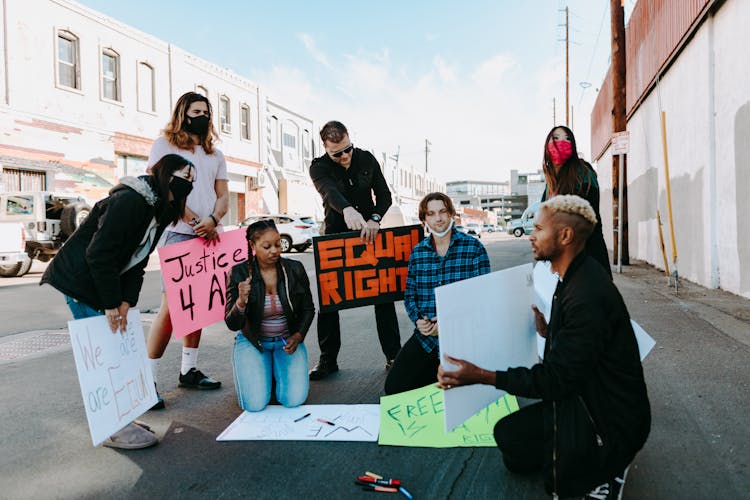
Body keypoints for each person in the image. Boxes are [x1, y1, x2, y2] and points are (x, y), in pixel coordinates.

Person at [437, 195, 650, 499]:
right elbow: (584, 349)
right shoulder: (573, 275)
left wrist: (481, 376)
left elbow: (555, 380)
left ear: (565, 236)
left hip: (611, 419)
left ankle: (610, 464)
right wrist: (551, 331)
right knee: (509, 439)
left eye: (538, 229)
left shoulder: (587, 293)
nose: (531, 235)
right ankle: (583, 456)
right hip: (587, 397)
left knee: (559, 486)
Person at [41, 154, 196, 449]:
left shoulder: (159, 210)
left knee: (115, 348)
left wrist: (127, 301)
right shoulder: (130, 201)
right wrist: (112, 303)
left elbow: (138, 260)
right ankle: (114, 427)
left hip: (101, 280)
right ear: (164, 174)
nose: (188, 184)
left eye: (192, 181)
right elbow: (100, 254)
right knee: (104, 353)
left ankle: (121, 417)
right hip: (79, 280)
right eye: (184, 176)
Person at [146, 91, 229, 405]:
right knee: (171, 309)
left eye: (206, 111)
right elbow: (164, 189)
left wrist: (213, 219)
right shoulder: (163, 146)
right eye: (196, 111)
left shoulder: (214, 154)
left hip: (210, 235)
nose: (202, 116)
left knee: (198, 307)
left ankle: (189, 370)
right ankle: (147, 380)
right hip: (179, 233)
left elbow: (222, 194)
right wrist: (197, 221)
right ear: (183, 113)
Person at [308, 120, 401, 380]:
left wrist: (374, 218)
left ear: (351, 141)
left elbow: (384, 195)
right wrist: (347, 209)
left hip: (370, 234)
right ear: (326, 149)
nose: (345, 156)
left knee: (383, 295)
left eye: (348, 149)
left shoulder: (367, 159)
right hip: (335, 236)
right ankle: (328, 360)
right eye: (337, 153)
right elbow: (329, 191)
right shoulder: (318, 167)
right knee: (328, 300)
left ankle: (393, 355)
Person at [384, 192, 490, 395]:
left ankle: (446, 379)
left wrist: (449, 324)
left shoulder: (474, 248)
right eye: (431, 214)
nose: (438, 218)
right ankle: (438, 377)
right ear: (424, 219)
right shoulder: (418, 252)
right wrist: (418, 321)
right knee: (394, 388)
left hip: (463, 337)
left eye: (442, 211)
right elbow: (410, 295)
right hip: (427, 338)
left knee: (469, 392)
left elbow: (483, 297)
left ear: (451, 214)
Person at [224, 220, 315, 411]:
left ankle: (272, 374)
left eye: (277, 244)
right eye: (267, 246)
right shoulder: (238, 272)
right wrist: (241, 301)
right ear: (252, 245)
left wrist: (298, 336)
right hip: (253, 342)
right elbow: (232, 323)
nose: (274, 250)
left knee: (293, 400)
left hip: (287, 342)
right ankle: (265, 374)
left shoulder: (294, 269)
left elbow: (308, 309)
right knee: (254, 405)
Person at [542, 125, 612, 277]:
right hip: (558, 264)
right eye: (556, 138)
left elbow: (587, 222)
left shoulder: (583, 173)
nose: (562, 142)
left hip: (586, 260)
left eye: (567, 139)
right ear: (547, 146)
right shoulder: (549, 185)